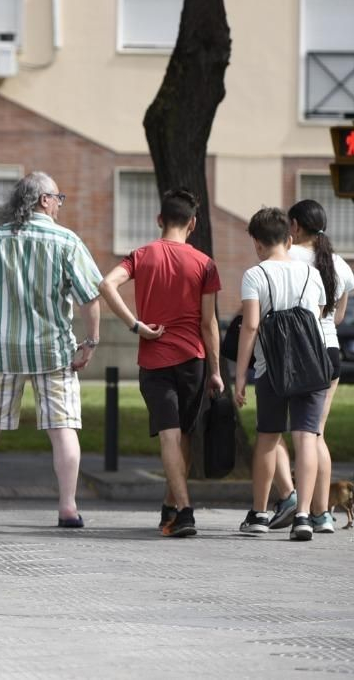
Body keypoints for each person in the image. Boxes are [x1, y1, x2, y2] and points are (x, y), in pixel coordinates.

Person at [0, 172, 103, 529]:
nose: (60, 203)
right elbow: (91, 297)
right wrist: (90, 343)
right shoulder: (67, 241)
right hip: (54, 351)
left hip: (5, 350)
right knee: (63, 427)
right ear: (44, 199)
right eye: (58, 197)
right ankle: (68, 508)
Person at [98, 188, 223, 538]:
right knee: (184, 436)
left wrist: (136, 325)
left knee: (170, 436)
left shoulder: (141, 255)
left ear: (159, 219)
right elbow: (208, 323)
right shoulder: (205, 264)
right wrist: (215, 371)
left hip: (154, 359)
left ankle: (173, 506)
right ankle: (184, 511)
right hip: (193, 360)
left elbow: (107, 284)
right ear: (194, 223)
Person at [234, 207, 329, 541]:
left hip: (271, 368)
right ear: (289, 239)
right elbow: (316, 317)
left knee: (268, 437)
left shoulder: (255, 275)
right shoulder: (312, 274)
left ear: (258, 244)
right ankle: (304, 515)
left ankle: (259, 513)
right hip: (312, 366)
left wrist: (242, 375)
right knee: (306, 437)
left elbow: (251, 326)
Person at [286, 199, 354, 534]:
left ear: (295, 225)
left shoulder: (288, 256)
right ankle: (323, 513)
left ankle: (296, 506)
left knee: (295, 434)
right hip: (331, 353)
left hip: (300, 352)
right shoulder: (340, 264)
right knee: (317, 433)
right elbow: (337, 317)